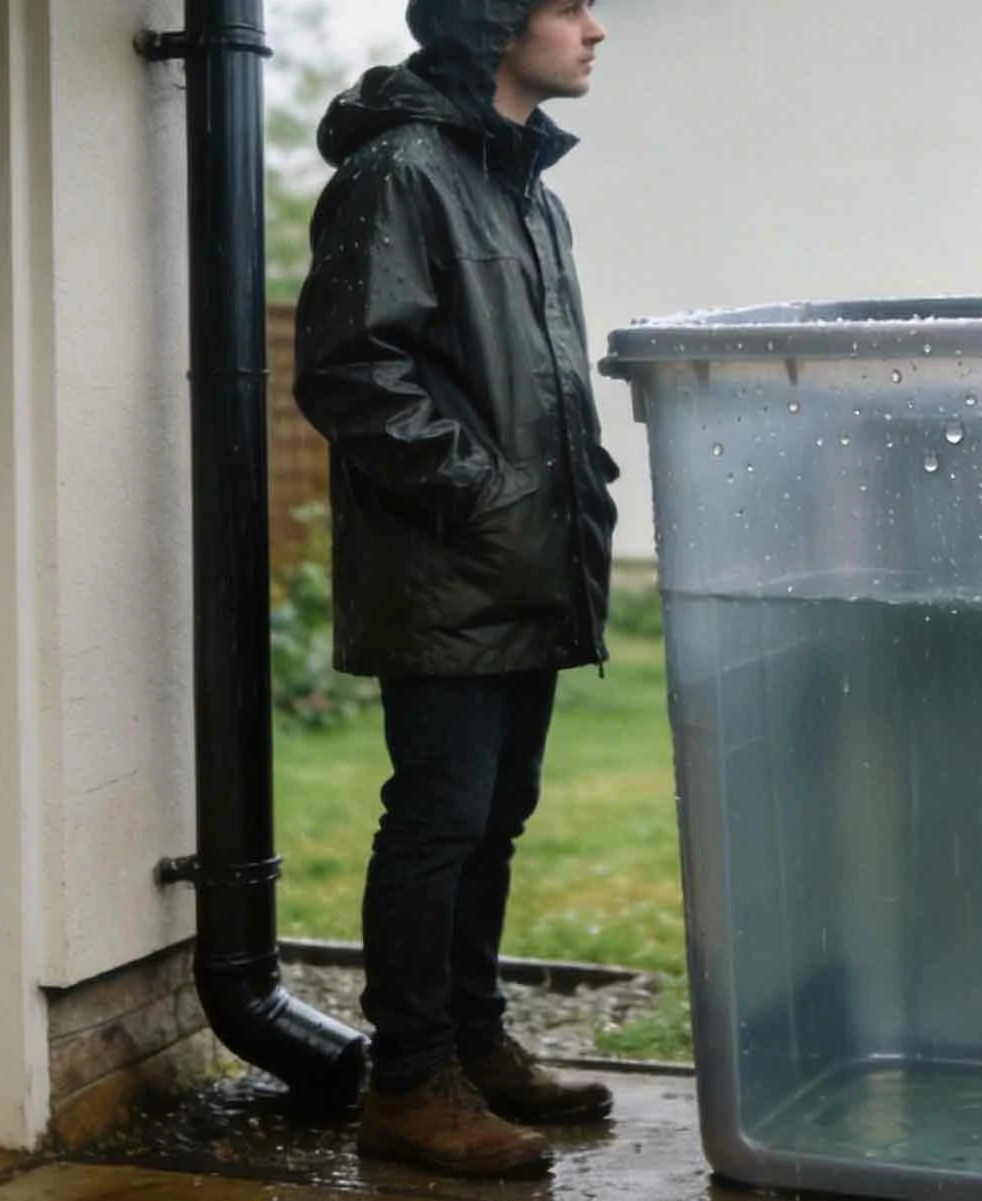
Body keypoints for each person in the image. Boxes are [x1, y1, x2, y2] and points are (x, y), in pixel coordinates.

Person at [291, 0, 619, 1178]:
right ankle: (409, 1082)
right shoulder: (402, 173)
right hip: (450, 567)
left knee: (494, 814)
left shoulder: (525, 187)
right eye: (569, 6)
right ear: (493, 23)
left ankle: (474, 1044)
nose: (595, 29)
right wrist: (483, 494)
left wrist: (563, 499)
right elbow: (349, 369)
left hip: (526, 563)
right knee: (435, 823)